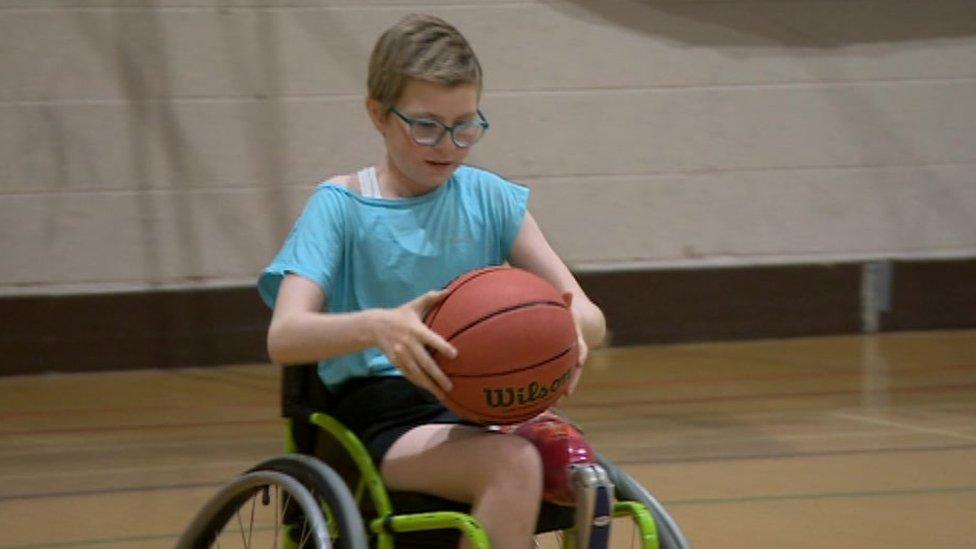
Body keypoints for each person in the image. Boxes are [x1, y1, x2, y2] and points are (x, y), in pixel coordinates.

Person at [258, 13, 606, 547]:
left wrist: (572, 332)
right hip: (381, 418)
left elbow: (585, 311)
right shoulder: (342, 205)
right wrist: (379, 327)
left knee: (579, 469)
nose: (448, 144)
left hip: (487, 408)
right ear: (377, 113)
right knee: (513, 465)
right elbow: (285, 337)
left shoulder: (490, 197)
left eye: (466, 125)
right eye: (425, 125)